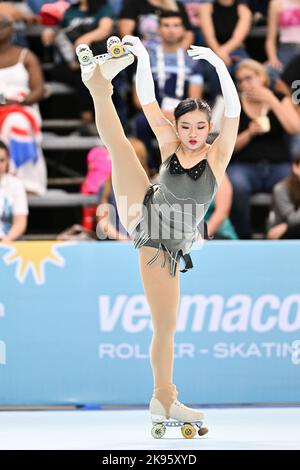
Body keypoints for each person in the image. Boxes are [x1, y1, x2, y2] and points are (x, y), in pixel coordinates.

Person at [79, 35, 240, 431]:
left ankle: (163, 398)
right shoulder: (169, 144)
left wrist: (220, 66)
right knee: (120, 147)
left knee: (165, 325)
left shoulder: (217, 158)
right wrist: (144, 56)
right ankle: (99, 85)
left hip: (168, 245)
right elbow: (149, 100)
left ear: (208, 128)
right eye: (185, 125)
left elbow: (234, 112)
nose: (191, 132)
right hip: (148, 222)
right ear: (178, 126)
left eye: (200, 126)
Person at [227, 59, 300, 239]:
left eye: (249, 78)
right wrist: (249, 133)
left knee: (292, 182)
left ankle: (280, 233)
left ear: (261, 76)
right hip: (245, 165)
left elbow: (295, 128)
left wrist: (272, 101)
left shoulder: (279, 98)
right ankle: (243, 236)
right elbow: (228, 146)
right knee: (237, 185)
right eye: (240, 80)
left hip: (278, 163)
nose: (244, 84)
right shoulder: (234, 103)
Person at [132, 11, 204, 171]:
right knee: (140, 122)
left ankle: (183, 169)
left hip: (181, 112)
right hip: (153, 112)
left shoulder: (192, 61)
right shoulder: (146, 58)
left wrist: (178, 114)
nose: (171, 30)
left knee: (190, 123)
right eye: (166, 25)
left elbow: (195, 99)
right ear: (158, 29)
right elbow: (137, 99)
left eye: (176, 25)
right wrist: (160, 114)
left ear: (184, 30)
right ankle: (148, 169)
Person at [41, 0, 114, 131]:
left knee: (86, 74)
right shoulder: (68, 9)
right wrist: (49, 32)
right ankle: (88, 118)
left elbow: (105, 29)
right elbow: (58, 30)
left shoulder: (103, 7)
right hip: (69, 60)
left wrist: (86, 38)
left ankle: (89, 117)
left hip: (95, 57)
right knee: (82, 74)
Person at [0, 14, 47, 196]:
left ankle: (25, 184)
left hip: (22, 108)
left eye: (4, 24)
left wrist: (19, 101)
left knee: (16, 122)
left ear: (12, 29)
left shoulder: (26, 56)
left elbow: (39, 89)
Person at [118, 0, 194, 50]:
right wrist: (141, 54)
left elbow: (188, 33)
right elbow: (126, 33)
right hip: (143, 51)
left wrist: (177, 54)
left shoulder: (177, 6)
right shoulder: (134, 4)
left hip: (173, 50)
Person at [0, 141, 28, 242]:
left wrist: (6, 241)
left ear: (8, 161)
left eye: (2, 160)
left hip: (8, 243)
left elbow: (20, 221)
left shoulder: (16, 185)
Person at [267, 154, 300, 239]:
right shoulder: (281, 189)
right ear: (295, 167)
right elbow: (292, 219)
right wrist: (288, 227)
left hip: (287, 228)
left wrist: (285, 226)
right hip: (284, 237)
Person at [265, 0, 300, 75]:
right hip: (286, 51)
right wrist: (272, 58)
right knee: (270, 72)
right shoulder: (277, 4)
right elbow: (270, 39)